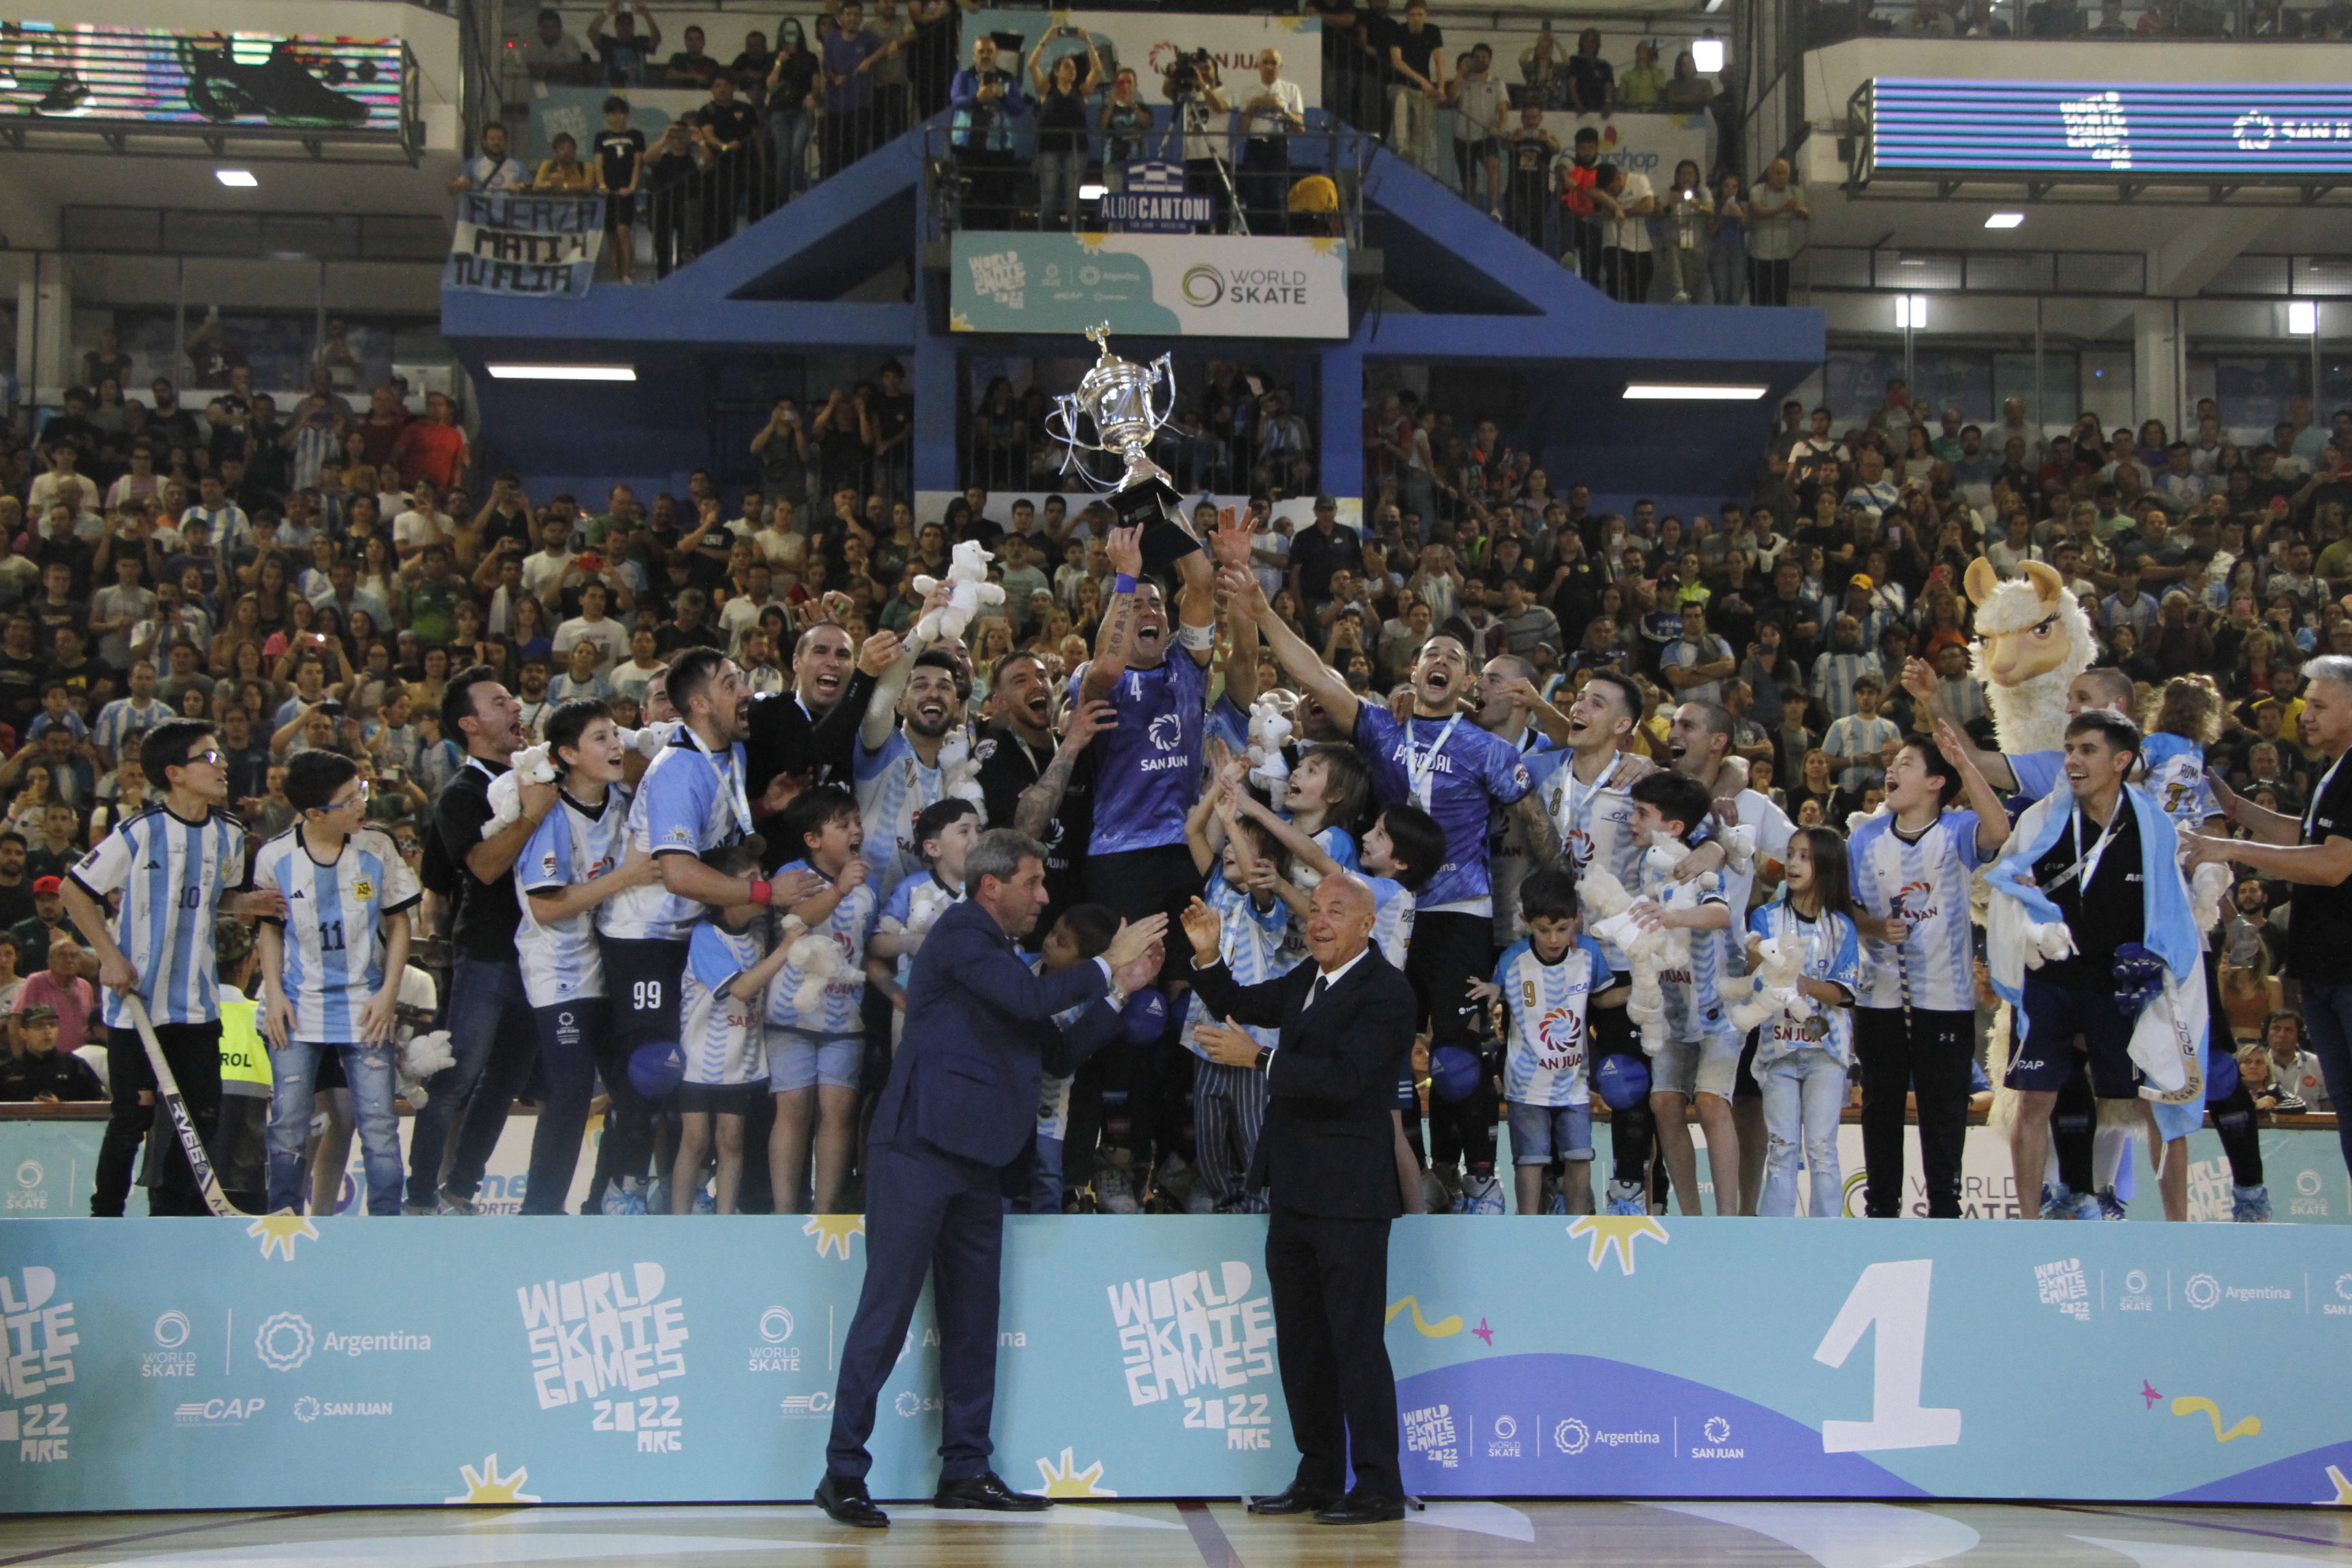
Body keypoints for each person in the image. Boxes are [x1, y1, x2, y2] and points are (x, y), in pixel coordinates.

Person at [814, 831, 1161, 1529]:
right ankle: (843, 1473)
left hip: (980, 1161)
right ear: (991, 885)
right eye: (1033, 882)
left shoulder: (1001, 960)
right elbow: (1031, 1004)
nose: (1044, 896)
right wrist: (1105, 963)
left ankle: (967, 1469)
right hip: (918, 1148)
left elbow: (1055, 1053)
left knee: (975, 1321)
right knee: (885, 1314)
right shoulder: (961, 933)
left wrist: (1120, 993)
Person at [1183, 872, 1416, 1525]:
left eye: (1336, 911)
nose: (1319, 920)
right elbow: (1236, 999)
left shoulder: (1388, 992)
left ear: (1366, 926)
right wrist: (1209, 955)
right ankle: (1317, 1477)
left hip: (1351, 1196)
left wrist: (1259, 1060)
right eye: (1314, 908)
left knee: (1356, 1343)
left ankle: (1379, 1486)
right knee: (1302, 1343)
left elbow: (1347, 1080)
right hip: (1293, 1189)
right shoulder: (1306, 979)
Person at [67, 719, 284, 1216]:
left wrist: (248, 903)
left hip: (196, 1005)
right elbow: (74, 891)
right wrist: (109, 957)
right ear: (175, 773)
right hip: (138, 1003)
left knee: (201, 1118)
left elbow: (219, 895)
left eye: (220, 755)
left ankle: (173, 1215)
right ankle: (105, 1219)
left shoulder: (230, 833)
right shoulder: (140, 832)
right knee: (133, 1118)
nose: (222, 765)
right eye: (209, 757)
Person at [1990, 712, 2200, 1220]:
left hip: (2123, 989)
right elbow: (2005, 888)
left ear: (2121, 760)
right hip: (2050, 984)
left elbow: (2174, 910)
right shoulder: (2040, 819)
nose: (2073, 760)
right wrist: (2024, 912)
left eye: (2087, 750)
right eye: (2070, 749)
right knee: (2033, 1101)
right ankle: (2027, 1226)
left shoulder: (2153, 826)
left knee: (2162, 1104)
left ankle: (2179, 1229)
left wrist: (2159, 963)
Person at [2184, 652, 2352, 1180]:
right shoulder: (2331, 768)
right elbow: (2304, 836)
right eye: (2308, 704)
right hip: (2323, 970)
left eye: (2320, 706)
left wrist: (2231, 847)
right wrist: (2235, 807)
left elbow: (2334, 864)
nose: (2306, 715)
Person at [404, 668, 553, 1216]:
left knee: (505, 1082)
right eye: (499, 701)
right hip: (488, 955)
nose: (516, 707)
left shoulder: (541, 777)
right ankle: (420, 1198)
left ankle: (460, 1191)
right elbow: (484, 868)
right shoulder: (462, 793)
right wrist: (533, 814)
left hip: (543, 957)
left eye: (513, 699)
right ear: (469, 724)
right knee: (456, 1078)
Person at [1846, 728, 2007, 1218]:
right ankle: (1881, 1210)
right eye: (1893, 763)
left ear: (1937, 782)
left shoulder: (1957, 830)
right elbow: (1846, 907)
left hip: (1946, 998)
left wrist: (1966, 762)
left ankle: (1944, 1210)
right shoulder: (1865, 837)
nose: (1892, 770)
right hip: (1879, 997)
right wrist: (1876, 927)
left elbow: (1999, 832)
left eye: (1907, 763)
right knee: (1881, 1105)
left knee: (1944, 1108)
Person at [252, 750, 418, 1217]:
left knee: (380, 1124)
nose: (362, 804)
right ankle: (283, 1220)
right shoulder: (274, 857)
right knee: (288, 1123)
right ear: (313, 813)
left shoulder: (378, 847)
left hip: (367, 1007)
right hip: (298, 1007)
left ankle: (386, 1223)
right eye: (349, 800)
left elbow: (400, 923)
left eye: (361, 791)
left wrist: (388, 994)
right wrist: (274, 994)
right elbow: (270, 929)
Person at [513, 698, 660, 1215]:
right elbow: (546, 907)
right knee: (573, 1092)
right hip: (560, 970)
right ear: (569, 755)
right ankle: (540, 1214)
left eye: (616, 734)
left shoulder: (624, 800)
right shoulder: (551, 813)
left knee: (637, 1089)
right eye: (601, 738)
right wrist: (625, 877)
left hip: (613, 964)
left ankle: (607, 1204)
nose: (616, 745)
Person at [1473, 866, 1618, 1215]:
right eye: (1543, 930)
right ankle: (1528, 1227)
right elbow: (1497, 990)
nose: (1553, 939)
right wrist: (1492, 990)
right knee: (1530, 1160)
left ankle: (1578, 1226)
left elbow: (1603, 999)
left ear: (1577, 918)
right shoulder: (1512, 960)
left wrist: (1644, 989)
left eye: (1562, 929)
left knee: (1580, 1156)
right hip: (1526, 1082)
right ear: (1526, 921)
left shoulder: (1589, 953)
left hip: (1574, 1081)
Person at [765, 785, 875, 1215]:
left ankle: (824, 1211)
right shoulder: (793, 875)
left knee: (838, 1109)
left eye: (857, 822)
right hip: (790, 1015)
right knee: (793, 1108)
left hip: (845, 1018)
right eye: (842, 825)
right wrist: (839, 890)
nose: (856, 831)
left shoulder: (866, 883)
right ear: (813, 839)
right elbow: (795, 921)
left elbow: (869, 943)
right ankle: (784, 1213)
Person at [674, 838, 798, 1213]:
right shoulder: (706, 936)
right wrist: (787, 948)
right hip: (701, 1062)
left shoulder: (758, 930)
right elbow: (742, 989)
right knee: (695, 1141)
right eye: (752, 879)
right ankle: (677, 1224)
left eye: (763, 876)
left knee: (732, 1142)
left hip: (740, 1061)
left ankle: (725, 1220)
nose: (764, 886)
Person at [1744, 826, 1861, 1217]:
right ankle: (1775, 1238)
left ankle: (1826, 1237)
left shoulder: (1842, 927)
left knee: (1822, 1149)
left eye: (1805, 857)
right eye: (1791, 854)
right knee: (1781, 1148)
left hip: (1826, 1053)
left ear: (1827, 866)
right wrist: (1755, 961)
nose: (1793, 863)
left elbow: (1844, 993)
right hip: (1777, 1051)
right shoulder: (1765, 916)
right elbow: (1754, 977)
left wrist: (1802, 983)